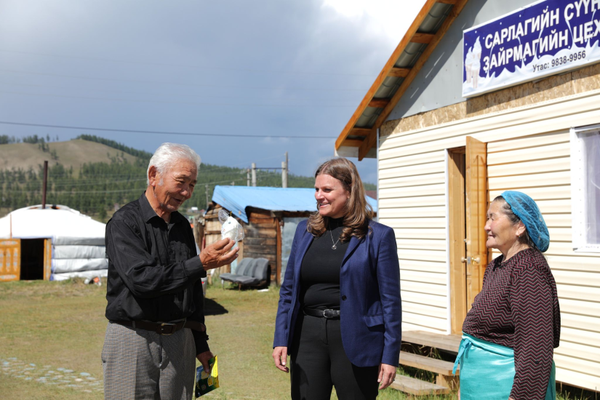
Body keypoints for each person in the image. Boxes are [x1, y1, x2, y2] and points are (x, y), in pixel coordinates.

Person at [102, 142, 238, 400]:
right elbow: (142, 280)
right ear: (154, 175)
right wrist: (200, 263)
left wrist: (201, 344)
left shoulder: (182, 226)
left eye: (193, 185)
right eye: (182, 182)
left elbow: (193, 290)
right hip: (133, 338)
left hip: (180, 339)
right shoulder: (124, 223)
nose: (187, 192)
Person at [272, 158, 402, 400]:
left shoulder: (378, 236)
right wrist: (281, 338)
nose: (319, 196)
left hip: (357, 338)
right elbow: (288, 290)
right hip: (307, 335)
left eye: (327, 190)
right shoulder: (305, 231)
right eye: (317, 189)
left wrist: (389, 355)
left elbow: (391, 302)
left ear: (350, 191)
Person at [454, 191, 561, 400]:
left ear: (520, 226)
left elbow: (536, 346)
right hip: (479, 386)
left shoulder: (529, 268)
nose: (486, 226)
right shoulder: (497, 266)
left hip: (505, 389)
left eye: (492, 218)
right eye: (487, 218)